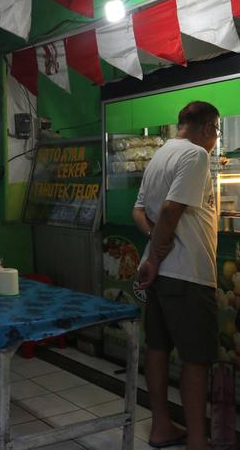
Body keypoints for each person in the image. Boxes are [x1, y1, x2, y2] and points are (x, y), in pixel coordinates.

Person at [133, 101, 219, 450]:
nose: (214, 138)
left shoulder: (160, 154)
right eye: (215, 131)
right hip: (187, 273)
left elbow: (139, 211)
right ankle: (198, 441)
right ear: (207, 128)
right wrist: (156, 255)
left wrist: (153, 249)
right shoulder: (196, 156)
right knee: (196, 359)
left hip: (159, 275)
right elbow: (172, 209)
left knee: (157, 348)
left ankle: (161, 427)